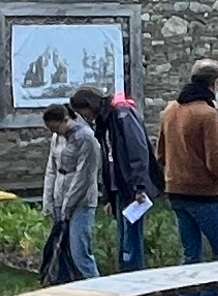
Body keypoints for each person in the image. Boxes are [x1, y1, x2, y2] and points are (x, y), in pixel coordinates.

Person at [157, 58, 218, 296]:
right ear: (215, 83)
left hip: (176, 190)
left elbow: (161, 154)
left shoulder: (170, 110)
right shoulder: (207, 114)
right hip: (205, 193)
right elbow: (216, 158)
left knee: (190, 257)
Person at [69, 85, 156, 274]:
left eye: (83, 111)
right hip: (118, 187)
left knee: (131, 240)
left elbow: (137, 151)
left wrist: (139, 186)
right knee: (124, 239)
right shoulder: (104, 123)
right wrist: (107, 195)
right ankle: (127, 277)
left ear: (91, 105)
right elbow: (108, 161)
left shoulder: (122, 115)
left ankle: (135, 282)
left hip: (131, 187)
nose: (84, 117)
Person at [38, 103, 102, 285]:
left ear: (66, 120)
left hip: (81, 202)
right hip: (60, 195)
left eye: (57, 128)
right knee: (62, 250)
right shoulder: (57, 138)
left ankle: (97, 290)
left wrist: (68, 206)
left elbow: (84, 177)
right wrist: (48, 200)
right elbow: (51, 169)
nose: (56, 133)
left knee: (79, 250)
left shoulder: (86, 138)